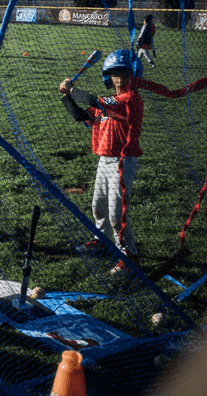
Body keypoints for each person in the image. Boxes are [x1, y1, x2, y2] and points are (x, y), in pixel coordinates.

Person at [60, 50, 144, 276]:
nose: (119, 79)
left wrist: (73, 90)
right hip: (104, 160)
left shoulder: (130, 99)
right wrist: (66, 96)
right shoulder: (105, 103)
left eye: (124, 73)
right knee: (98, 207)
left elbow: (93, 100)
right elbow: (81, 115)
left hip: (124, 161)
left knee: (117, 214)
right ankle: (103, 242)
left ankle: (128, 256)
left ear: (133, 75)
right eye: (114, 74)